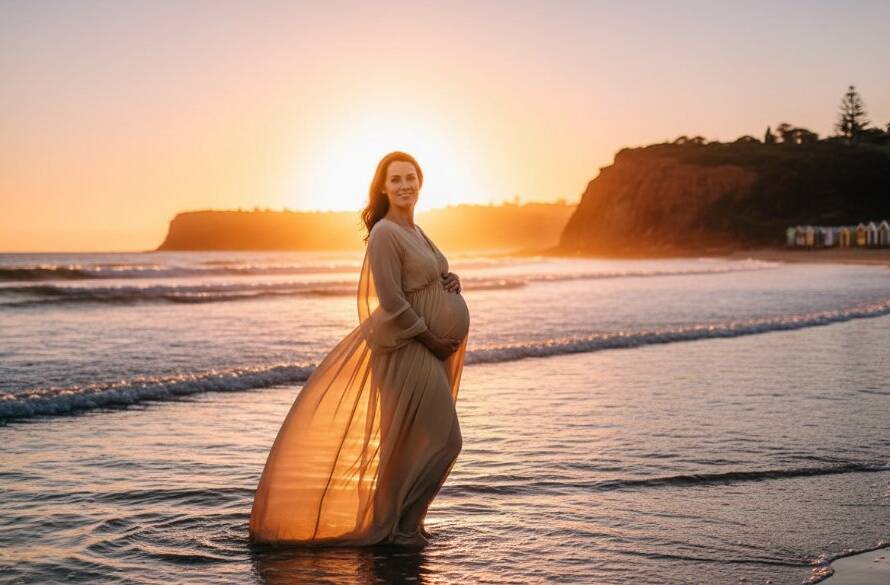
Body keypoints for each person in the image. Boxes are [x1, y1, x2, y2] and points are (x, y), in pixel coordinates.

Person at [249, 151, 470, 547]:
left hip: (427, 349)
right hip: (409, 349)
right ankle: (398, 528)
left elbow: (424, 277)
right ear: (383, 188)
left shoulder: (417, 231)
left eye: (410, 177)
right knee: (446, 441)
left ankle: (404, 525)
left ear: (421, 182)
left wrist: (448, 277)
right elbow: (390, 300)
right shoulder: (385, 232)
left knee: (410, 442)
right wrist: (432, 339)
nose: (405, 185)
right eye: (396, 179)